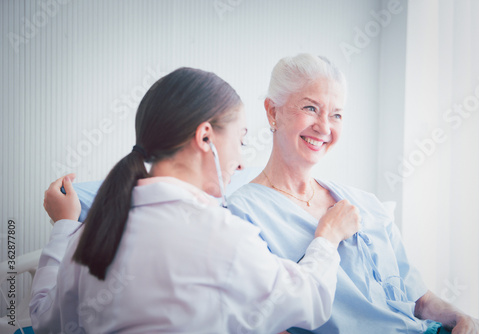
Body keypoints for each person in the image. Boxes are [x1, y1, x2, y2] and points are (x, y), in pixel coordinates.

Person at [30, 67, 361, 333]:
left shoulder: (88, 236)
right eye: (240, 141)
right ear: (205, 137)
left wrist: (63, 226)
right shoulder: (222, 236)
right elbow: (309, 301)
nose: (242, 162)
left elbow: (44, 321)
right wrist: (328, 237)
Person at [227, 54, 479, 334]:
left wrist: (460, 317)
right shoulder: (241, 216)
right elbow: (266, 323)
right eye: (311, 108)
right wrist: (326, 236)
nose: (325, 127)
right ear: (272, 112)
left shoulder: (366, 204)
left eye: (336, 114)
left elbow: (419, 300)